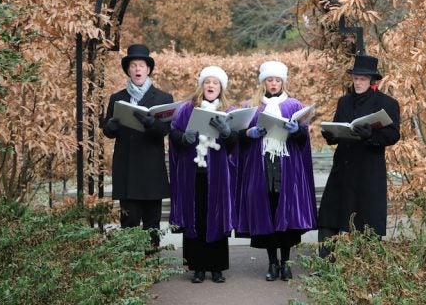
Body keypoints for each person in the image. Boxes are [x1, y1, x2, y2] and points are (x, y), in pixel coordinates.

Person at [236, 61, 317, 281]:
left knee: (286, 215)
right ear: (263, 82)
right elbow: (238, 137)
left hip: (286, 167)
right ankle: (272, 263)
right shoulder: (252, 106)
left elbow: (303, 139)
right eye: (269, 80)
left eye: (277, 80)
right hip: (261, 167)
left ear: (283, 82)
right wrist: (249, 133)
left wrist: (297, 131)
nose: (273, 83)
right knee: (267, 214)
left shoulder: (293, 105)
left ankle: (286, 263)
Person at [317, 54, 401, 256]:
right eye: (355, 78)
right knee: (329, 217)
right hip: (343, 168)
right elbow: (340, 127)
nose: (358, 82)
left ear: (372, 81)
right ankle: (325, 265)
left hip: (368, 170)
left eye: (362, 79)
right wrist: (331, 135)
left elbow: (393, 135)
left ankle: (367, 268)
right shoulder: (344, 101)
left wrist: (370, 134)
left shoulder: (387, 103)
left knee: (368, 219)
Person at [168, 66, 238, 284]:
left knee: (216, 217)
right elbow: (174, 132)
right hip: (193, 172)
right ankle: (197, 267)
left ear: (221, 88)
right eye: (207, 82)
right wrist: (182, 138)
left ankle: (217, 267)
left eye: (215, 82)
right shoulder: (187, 109)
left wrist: (227, 133)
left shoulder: (229, 110)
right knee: (195, 217)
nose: (210, 86)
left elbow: (236, 142)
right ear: (201, 86)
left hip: (218, 174)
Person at [101, 44, 174, 253]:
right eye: (133, 66)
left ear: (148, 69)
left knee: (152, 224)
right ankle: (130, 267)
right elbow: (108, 129)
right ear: (128, 70)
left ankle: (151, 265)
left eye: (141, 65)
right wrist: (110, 127)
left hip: (151, 171)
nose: (137, 69)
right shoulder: (118, 98)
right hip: (127, 170)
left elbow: (166, 129)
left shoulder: (163, 98)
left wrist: (152, 123)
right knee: (129, 223)